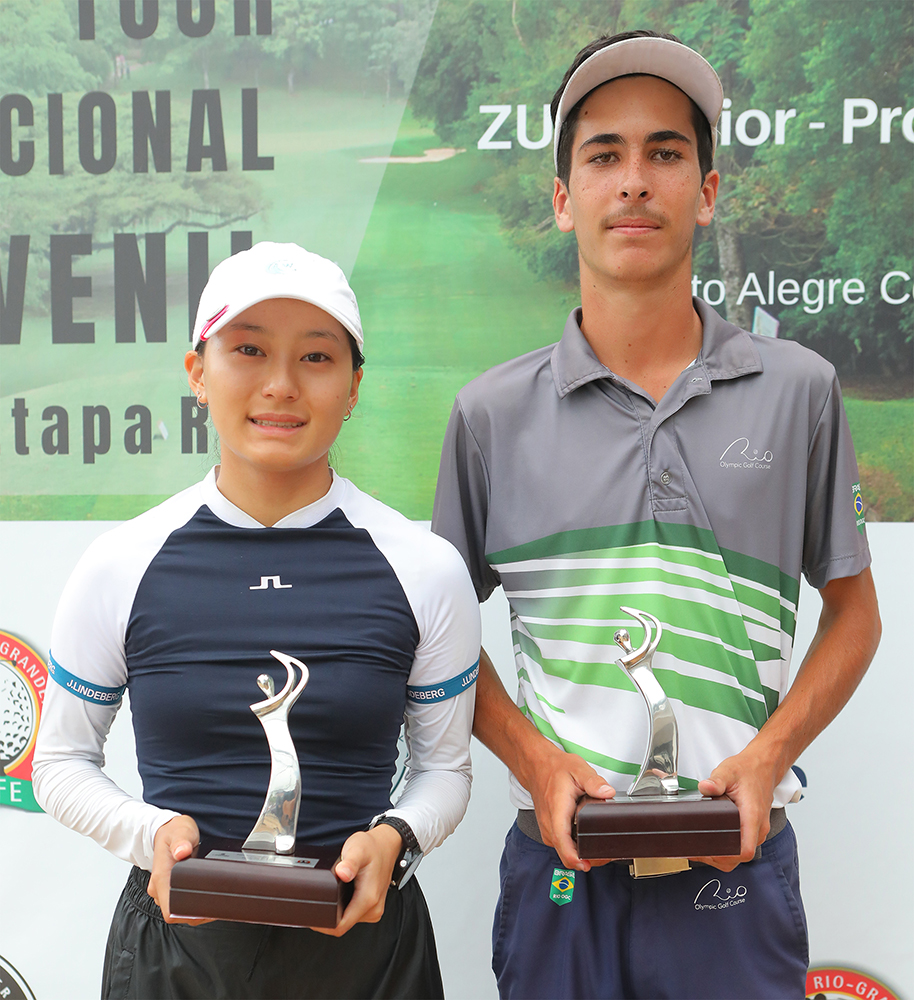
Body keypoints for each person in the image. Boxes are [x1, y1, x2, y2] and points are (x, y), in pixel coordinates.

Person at [431, 30, 881, 1000]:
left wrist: (766, 758)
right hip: (561, 883)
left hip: (734, 877)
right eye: (602, 155)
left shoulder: (797, 389)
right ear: (562, 199)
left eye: (664, 153)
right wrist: (537, 761)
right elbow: (436, 638)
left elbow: (855, 613)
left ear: (707, 190)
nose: (632, 180)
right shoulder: (489, 415)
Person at [33, 241, 481, 1000]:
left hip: (367, 954)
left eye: (315, 357)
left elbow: (444, 771)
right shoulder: (122, 562)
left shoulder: (424, 567)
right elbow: (59, 763)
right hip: (177, 956)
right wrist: (152, 838)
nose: (280, 385)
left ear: (354, 385)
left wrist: (395, 841)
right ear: (197, 373)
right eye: (247, 350)